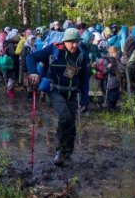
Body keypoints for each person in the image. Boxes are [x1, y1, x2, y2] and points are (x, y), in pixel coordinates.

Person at [26, 28, 90, 166]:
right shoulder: (53, 50)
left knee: (71, 123)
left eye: (76, 42)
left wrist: (85, 99)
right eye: (71, 42)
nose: (74, 45)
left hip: (72, 92)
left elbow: (85, 78)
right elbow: (30, 57)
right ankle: (60, 152)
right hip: (54, 90)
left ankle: (68, 152)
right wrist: (33, 72)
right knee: (65, 116)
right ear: (64, 41)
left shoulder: (82, 55)